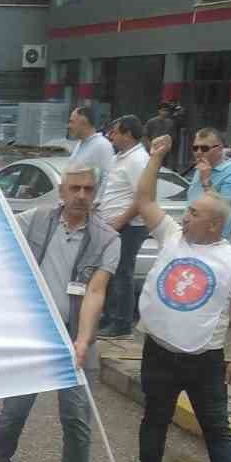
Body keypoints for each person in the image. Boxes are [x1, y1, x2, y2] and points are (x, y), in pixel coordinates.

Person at [130, 135, 231, 462]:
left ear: (215, 223)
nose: (184, 217)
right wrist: (155, 158)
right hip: (159, 351)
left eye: (193, 213)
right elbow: (145, 200)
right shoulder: (172, 237)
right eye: (186, 212)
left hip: (206, 360)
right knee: (155, 418)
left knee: (217, 429)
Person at [0, 165, 117, 462]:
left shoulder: (107, 238)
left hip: (76, 336)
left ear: (96, 192)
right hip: (33, 335)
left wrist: (83, 340)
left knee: (76, 418)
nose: (81, 196)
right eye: (74, 188)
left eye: (88, 189)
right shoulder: (35, 220)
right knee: (14, 410)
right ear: (61, 190)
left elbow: (96, 291)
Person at [95, 114, 149, 338]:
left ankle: (121, 323)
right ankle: (108, 317)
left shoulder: (138, 160)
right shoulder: (121, 157)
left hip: (128, 226)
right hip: (110, 225)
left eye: (115, 132)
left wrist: (121, 220)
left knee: (122, 273)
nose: (110, 136)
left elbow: (142, 196)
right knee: (109, 271)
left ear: (128, 134)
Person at [185, 126, 231, 236]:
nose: (198, 152)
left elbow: (222, 209)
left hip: (214, 241)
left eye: (204, 148)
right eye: (195, 148)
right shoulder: (201, 168)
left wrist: (206, 181)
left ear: (219, 149)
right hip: (191, 237)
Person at [66, 105, 115, 181]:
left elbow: (107, 179)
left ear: (84, 122)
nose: (69, 126)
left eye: (72, 122)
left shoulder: (102, 145)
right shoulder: (80, 143)